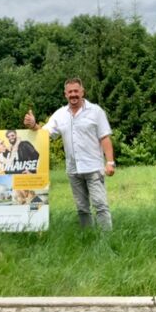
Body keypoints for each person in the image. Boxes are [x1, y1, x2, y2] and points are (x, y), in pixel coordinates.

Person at [24, 77, 115, 230]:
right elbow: (45, 134)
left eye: (76, 91)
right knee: (82, 208)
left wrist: (110, 162)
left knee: (100, 205)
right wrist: (33, 125)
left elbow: (104, 137)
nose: (73, 94)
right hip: (73, 170)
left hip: (93, 168)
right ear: (65, 94)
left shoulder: (96, 111)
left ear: (82, 92)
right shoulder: (60, 114)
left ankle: (107, 239)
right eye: (70, 92)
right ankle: (88, 236)